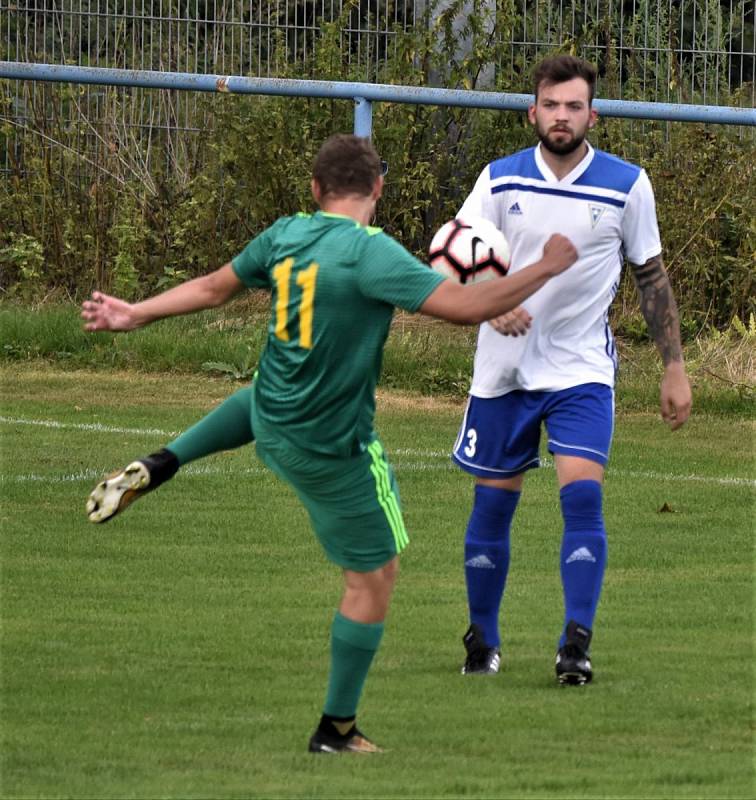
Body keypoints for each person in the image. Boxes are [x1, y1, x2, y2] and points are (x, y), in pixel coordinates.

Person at [81, 133, 578, 753]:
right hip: (332, 446)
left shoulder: (286, 234)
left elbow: (212, 288)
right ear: (377, 189)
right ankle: (336, 729)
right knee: (374, 577)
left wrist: (135, 314)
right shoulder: (372, 254)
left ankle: (164, 460)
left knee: (264, 394)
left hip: (274, 418)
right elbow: (467, 305)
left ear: (315, 191)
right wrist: (546, 266)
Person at [452, 55, 692, 684]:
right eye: (551, 106)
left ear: (593, 113)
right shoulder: (499, 181)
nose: (562, 117)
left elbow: (650, 277)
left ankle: (575, 644)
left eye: (574, 106)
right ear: (533, 111)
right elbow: (454, 253)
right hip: (502, 373)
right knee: (492, 512)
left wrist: (675, 366)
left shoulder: (625, 183)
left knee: (582, 497)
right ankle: (483, 641)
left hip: (582, 370)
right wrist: (489, 298)